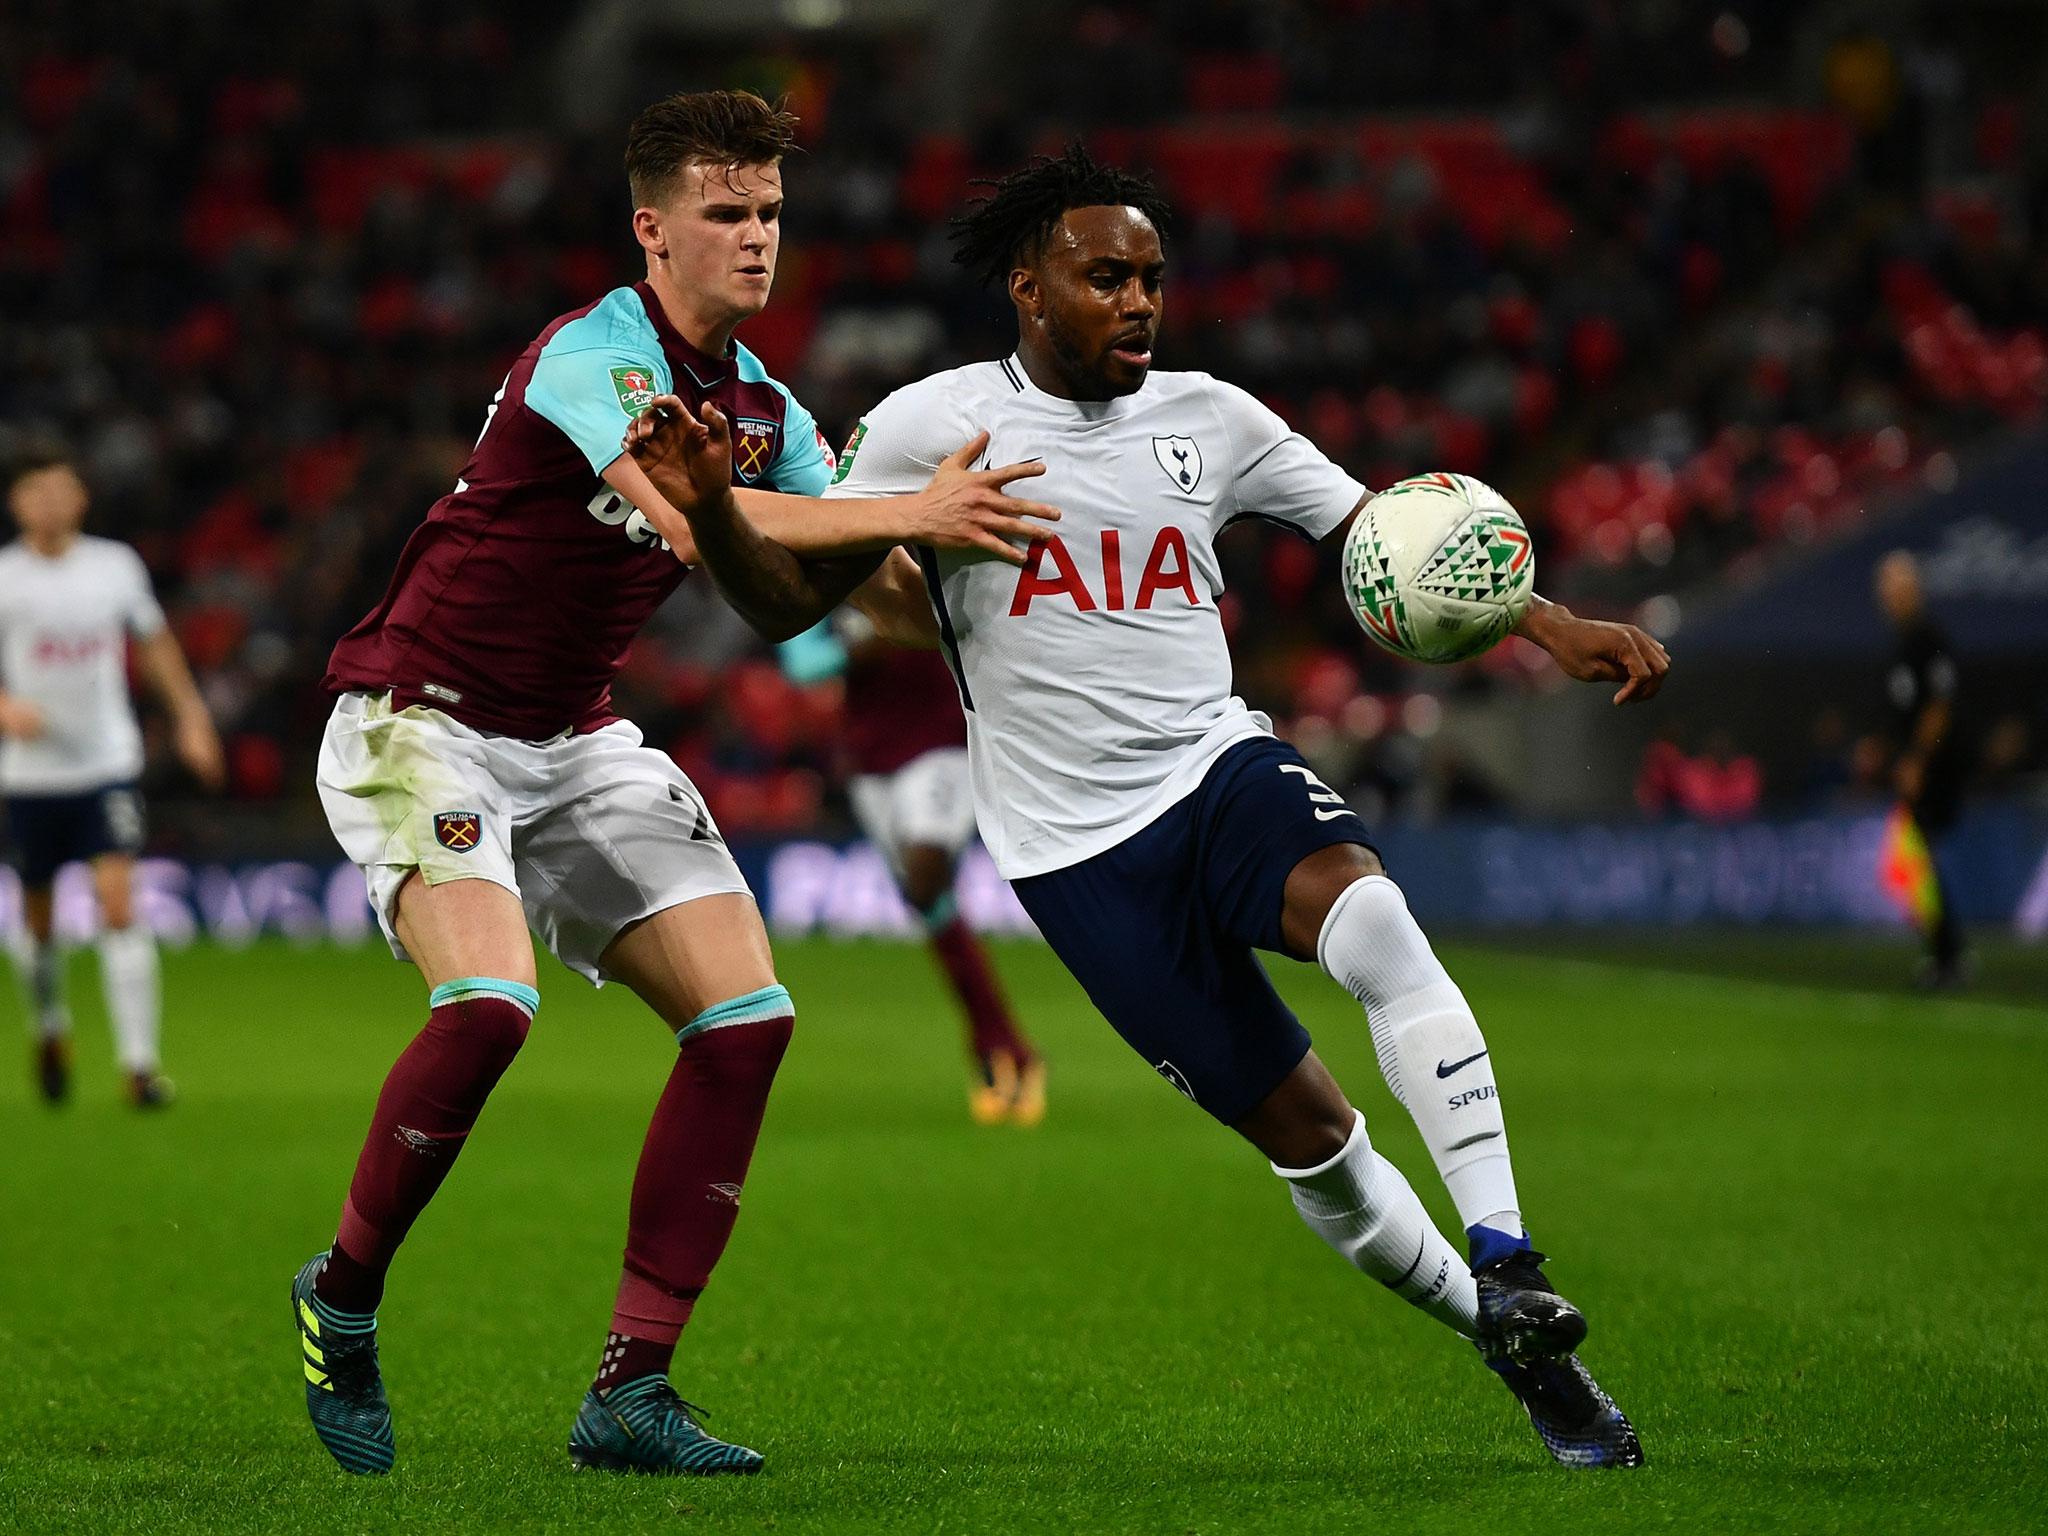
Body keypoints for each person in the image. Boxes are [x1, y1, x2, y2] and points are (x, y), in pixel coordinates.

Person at [630, 145, 1670, 1469]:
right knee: (1316, 1147)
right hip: (1073, 857)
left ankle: (1512, 1260)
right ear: (1028, 286)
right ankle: (1511, 1350)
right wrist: (722, 510)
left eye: (1151, 280)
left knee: (1376, 924)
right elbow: (789, 604)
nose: (1137, 302)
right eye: (1104, 276)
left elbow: (1381, 535)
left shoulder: (1213, 419)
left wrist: (1551, 623)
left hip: (1214, 768)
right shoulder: (923, 427)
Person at [293, 90, 1056, 1479]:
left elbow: (858, 575)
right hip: (424, 718)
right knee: (490, 1005)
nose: (757, 239)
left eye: (769, 212)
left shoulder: (766, 410)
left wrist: (983, 585)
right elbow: (704, 528)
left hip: (576, 740)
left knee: (748, 1019)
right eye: (726, 213)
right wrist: (911, 511)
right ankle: (340, 1296)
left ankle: (630, 1391)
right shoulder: (596, 357)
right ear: (653, 231)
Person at [0, 447, 224, 1108]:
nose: (49, 503)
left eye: (60, 490)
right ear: (17, 504)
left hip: (106, 764)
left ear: (81, 498)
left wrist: (191, 717)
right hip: (29, 776)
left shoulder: (114, 566)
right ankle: (49, 1026)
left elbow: (153, 643)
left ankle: (139, 1065)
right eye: (35, 492)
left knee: (119, 904)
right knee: (39, 923)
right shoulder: (6, 576)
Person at [779, 620, 1044, 1124]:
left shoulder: (921, 551)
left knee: (925, 874)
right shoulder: (832, 567)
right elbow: (801, 663)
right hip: (871, 764)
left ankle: (998, 1042)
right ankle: (999, 1041)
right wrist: (857, 647)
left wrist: (902, 626)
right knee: (929, 904)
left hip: (942, 744)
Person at [1875, 550, 1970, 986]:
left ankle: (1947, 955)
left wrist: (1917, 758)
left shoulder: (1927, 640)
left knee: (1913, 861)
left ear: (1914, 590)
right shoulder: (1902, 644)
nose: (1889, 596)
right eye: (1885, 588)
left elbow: (1940, 705)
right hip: (1919, 766)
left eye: (1896, 587)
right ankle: (1944, 951)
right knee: (1911, 861)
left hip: (1935, 768)